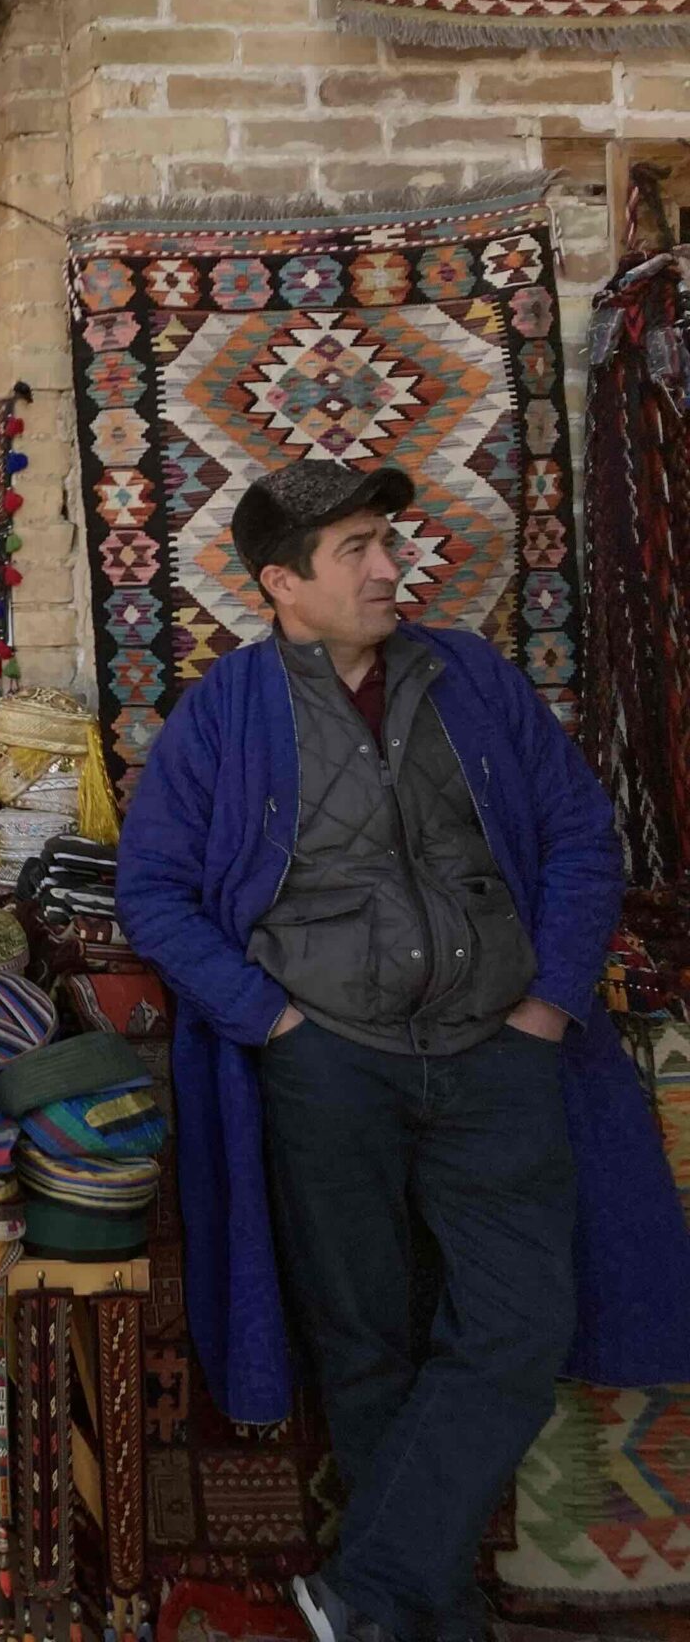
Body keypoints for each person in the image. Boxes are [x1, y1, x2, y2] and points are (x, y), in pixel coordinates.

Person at [117, 458, 690, 1642]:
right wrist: (271, 1024)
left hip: (496, 1054)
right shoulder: (225, 712)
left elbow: (583, 839)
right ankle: (420, 1614)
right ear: (282, 584)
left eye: (389, 542)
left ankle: (368, 1590)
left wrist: (546, 1006)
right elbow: (154, 892)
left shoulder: (470, 678)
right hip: (329, 1063)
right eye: (357, 552)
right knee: (364, 1341)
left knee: (519, 1327)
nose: (391, 569)